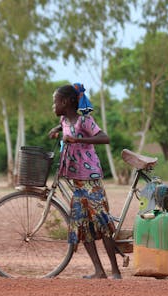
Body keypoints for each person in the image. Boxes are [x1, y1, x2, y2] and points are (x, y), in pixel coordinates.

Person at [48, 83, 121, 280]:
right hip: (77, 182)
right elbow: (64, 125)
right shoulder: (64, 119)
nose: (53, 106)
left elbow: (105, 138)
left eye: (55, 102)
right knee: (82, 225)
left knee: (102, 223)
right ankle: (99, 270)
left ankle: (115, 271)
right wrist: (56, 130)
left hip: (90, 179)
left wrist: (78, 141)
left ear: (66, 102)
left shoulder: (85, 121)